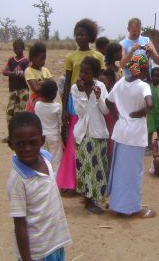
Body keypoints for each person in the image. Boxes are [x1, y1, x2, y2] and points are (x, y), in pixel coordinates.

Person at [6, 112, 72, 261]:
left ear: (42, 141)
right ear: (11, 144)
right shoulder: (18, 180)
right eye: (20, 144)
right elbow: (20, 224)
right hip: (37, 252)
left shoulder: (46, 158)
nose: (27, 148)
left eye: (33, 142)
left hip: (54, 241)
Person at [106, 54, 155, 218]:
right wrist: (140, 113)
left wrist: (118, 116)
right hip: (134, 133)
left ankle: (117, 203)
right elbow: (150, 104)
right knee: (134, 172)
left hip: (121, 131)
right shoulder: (143, 86)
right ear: (142, 70)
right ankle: (133, 209)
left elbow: (108, 100)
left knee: (120, 170)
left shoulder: (120, 83)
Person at [59, 18, 105, 191]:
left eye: (82, 34)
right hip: (75, 99)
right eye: (77, 34)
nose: (79, 37)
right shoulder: (71, 57)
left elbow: (102, 81)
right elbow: (67, 84)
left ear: (90, 36)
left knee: (90, 138)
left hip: (93, 99)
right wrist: (64, 109)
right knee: (74, 139)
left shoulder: (98, 57)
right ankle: (71, 182)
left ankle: (88, 180)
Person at [71, 57, 110, 214]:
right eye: (82, 71)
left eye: (87, 72)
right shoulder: (75, 89)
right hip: (83, 134)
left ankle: (94, 198)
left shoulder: (100, 86)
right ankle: (88, 201)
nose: (82, 75)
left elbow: (106, 110)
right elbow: (80, 112)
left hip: (98, 132)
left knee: (99, 167)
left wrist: (100, 96)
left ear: (94, 73)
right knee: (86, 168)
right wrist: (81, 93)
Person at [2, 39, 29, 134]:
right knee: (10, 113)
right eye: (14, 48)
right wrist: (17, 73)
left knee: (20, 113)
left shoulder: (26, 61)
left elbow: (25, 75)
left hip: (23, 91)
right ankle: (11, 134)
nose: (16, 50)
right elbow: (4, 72)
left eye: (18, 48)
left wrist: (12, 73)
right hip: (13, 90)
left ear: (23, 48)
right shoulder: (11, 60)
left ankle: (19, 134)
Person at [34, 80, 63, 171]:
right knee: (55, 161)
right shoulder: (57, 107)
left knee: (43, 159)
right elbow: (60, 123)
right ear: (55, 94)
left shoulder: (37, 105)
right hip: (54, 136)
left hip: (41, 136)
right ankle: (54, 183)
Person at [24, 42, 52, 113]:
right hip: (34, 104)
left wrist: (39, 83)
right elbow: (36, 88)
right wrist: (46, 83)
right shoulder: (29, 71)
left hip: (47, 103)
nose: (43, 61)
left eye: (44, 59)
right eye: (41, 59)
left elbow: (52, 86)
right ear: (33, 58)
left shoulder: (46, 70)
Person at [99, 69, 118, 167]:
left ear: (111, 83)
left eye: (103, 82)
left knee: (110, 154)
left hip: (111, 128)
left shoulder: (114, 97)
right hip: (101, 128)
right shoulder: (98, 95)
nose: (100, 85)